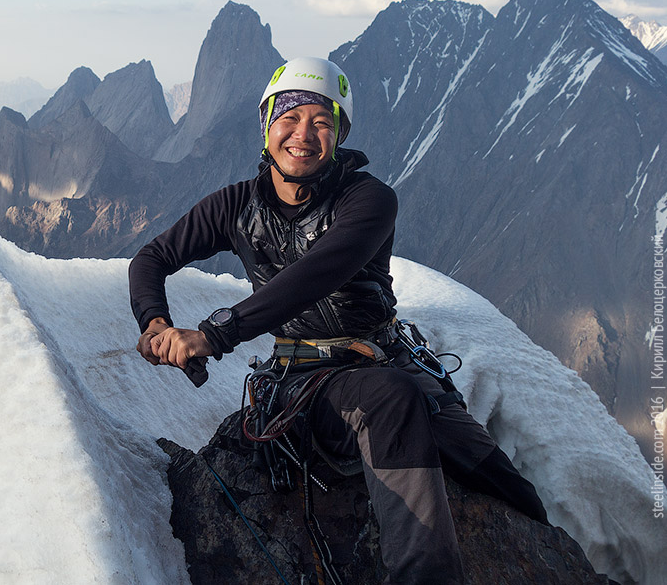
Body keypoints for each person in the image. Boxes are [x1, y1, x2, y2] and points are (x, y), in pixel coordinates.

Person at [128, 57, 549, 584]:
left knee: (516, 494)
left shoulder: (369, 200)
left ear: (339, 135)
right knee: (393, 400)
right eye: (289, 117)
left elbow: (316, 273)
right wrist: (154, 324)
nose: (302, 134)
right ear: (267, 124)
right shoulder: (236, 206)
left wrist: (214, 334)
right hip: (306, 385)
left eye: (322, 123)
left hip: (388, 362)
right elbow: (151, 259)